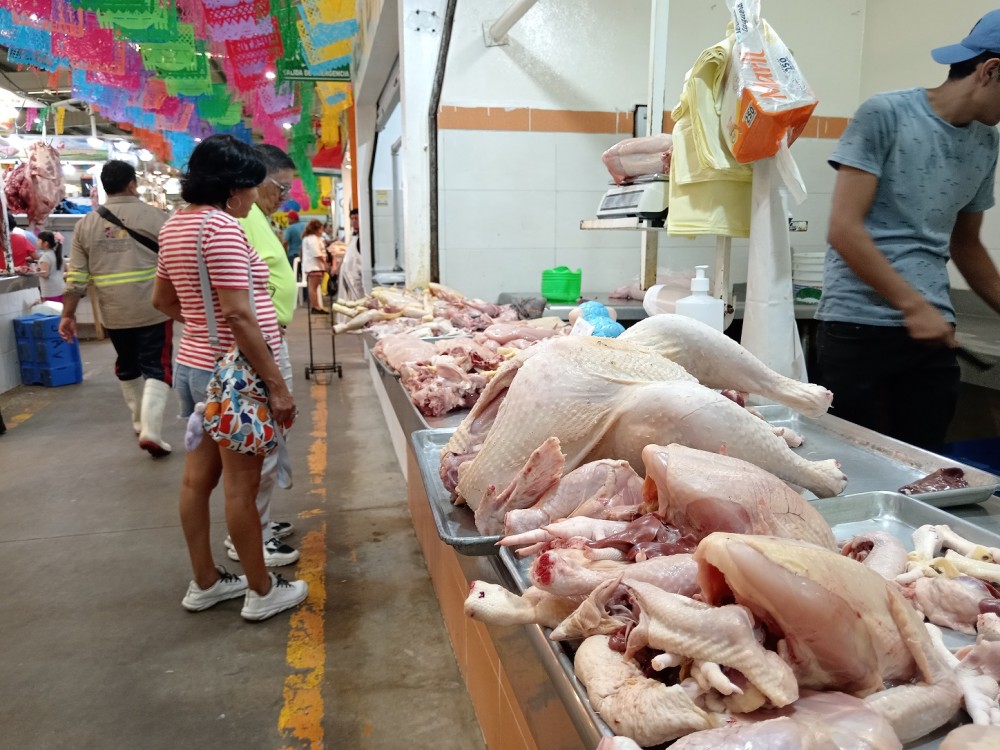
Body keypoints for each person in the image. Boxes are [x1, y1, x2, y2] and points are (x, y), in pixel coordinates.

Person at [815, 10, 1000, 452]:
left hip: (932, 333)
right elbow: (844, 229)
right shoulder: (886, 114)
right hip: (857, 327)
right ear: (991, 70)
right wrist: (913, 305)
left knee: (923, 467)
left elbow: (966, 243)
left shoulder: (986, 142)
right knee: (850, 467)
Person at [152, 134, 308, 621]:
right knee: (240, 487)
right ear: (233, 187)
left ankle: (205, 582)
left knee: (197, 481)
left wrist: (200, 326)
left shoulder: (176, 225)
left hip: (196, 367)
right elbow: (241, 318)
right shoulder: (221, 227)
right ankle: (261, 591)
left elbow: (162, 301)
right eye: (252, 187)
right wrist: (277, 386)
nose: (254, 198)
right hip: (236, 377)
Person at [59, 161, 174, 457]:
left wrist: (68, 314)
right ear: (132, 184)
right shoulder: (157, 217)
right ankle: (151, 430)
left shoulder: (86, 225)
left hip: (114, 313)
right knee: (156, 366)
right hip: (153, 308)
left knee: (127, 364)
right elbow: (176, 263)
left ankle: (139, 422)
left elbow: (77, 278)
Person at [227, 143, 300, 568]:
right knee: (259, 449)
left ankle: (260, 525)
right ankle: (249, 540)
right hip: (256, 350)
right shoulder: (236, 220)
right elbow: (237, 305)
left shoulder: (251, 217)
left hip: (264, 341)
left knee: (266, 447)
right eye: (281, 188)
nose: (282, 197)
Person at [336, 208, 364, 304]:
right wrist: (338, 267)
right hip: (347, 278)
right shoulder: (353, 235)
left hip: (356, 282)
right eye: (352, 219)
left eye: (356, 219)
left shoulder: (364, 238)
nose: (354, 222)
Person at [301, 219, 328, 314]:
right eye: (321, 229)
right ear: (317, 229)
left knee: (314, 287)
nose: (322, 231)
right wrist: (325, 263)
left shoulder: (310, 238)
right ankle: (316, 307)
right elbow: (316, 253)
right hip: (314, 266)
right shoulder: (312, 239)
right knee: (313, 287)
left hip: (313, 266)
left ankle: (316, 306)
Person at [36, 231, 64, 303]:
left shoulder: (45, 256)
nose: (37, 242)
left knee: (52, 312)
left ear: (46, 243)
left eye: (39, 240)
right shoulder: (57, 254)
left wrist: (34, 271)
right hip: (61, 289)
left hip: (50, 291)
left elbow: (45, 274)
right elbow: (65, 268)